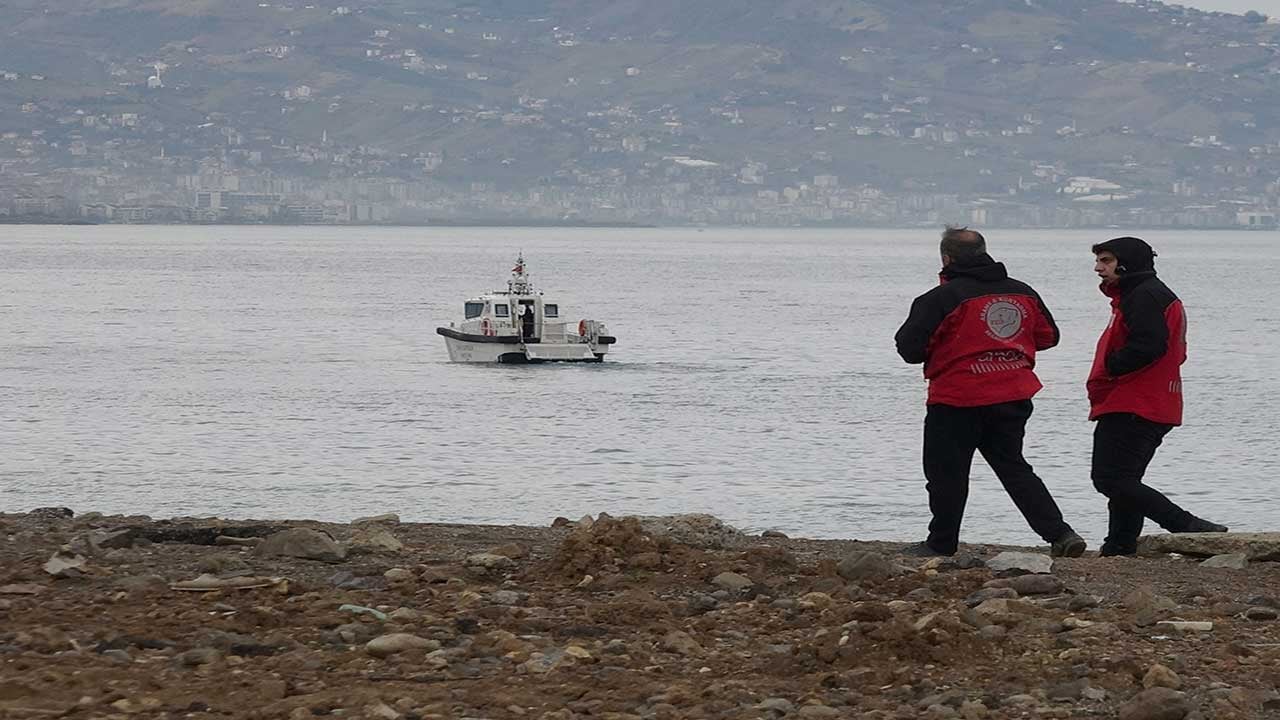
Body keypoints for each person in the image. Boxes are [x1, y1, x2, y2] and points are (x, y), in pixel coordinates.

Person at [895, 226, 1086, 558]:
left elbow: (910, 349)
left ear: (946, 258)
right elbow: (1048, 336)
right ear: (984, 252)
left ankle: (941, 542)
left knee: (947, 473)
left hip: (957, 398)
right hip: (1013, 394)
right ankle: (1060, 533)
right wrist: (1006, 348)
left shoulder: (940, 299)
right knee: (1013, 467)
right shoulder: (1023, 292)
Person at [1088, 237, 1227, 556]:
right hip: (1149, 400)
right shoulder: (1145, 294)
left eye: (1106, 261)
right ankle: (1120, 544)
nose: (1098, 268)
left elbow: (1149, 345)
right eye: (1098, 261)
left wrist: (1112, 366)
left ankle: (1186, 525)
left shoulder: (1144, 295)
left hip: (1135, 400)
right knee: (1126, 479)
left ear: (1126, 263)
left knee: (1109, 478)